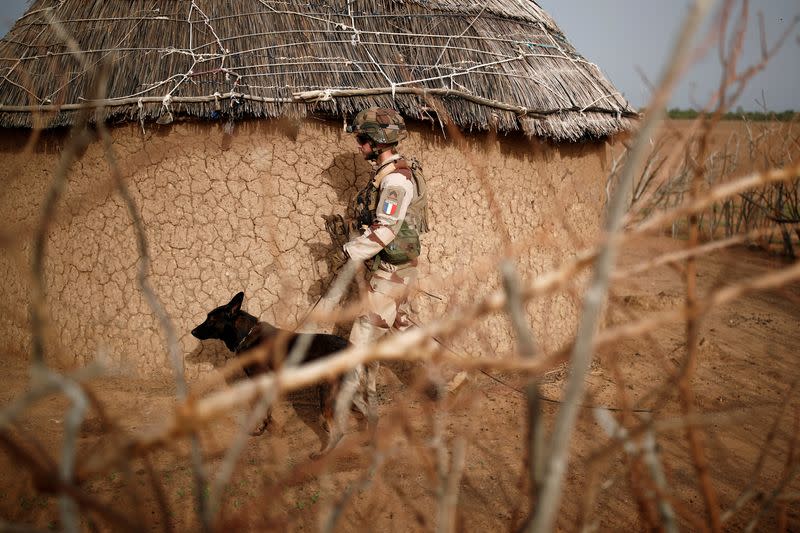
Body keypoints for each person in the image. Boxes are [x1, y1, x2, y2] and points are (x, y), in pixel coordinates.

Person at [341, 107, 427, 420]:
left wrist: (353, 250)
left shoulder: (395, 181)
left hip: (394, 271)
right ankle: (446, 380)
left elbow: (387, 230)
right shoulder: (386, 174)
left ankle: (361, 401)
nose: (359, 144)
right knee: (400, 325)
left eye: (363, 139)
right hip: (395, 268)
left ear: (379, 142)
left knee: (363, 334)